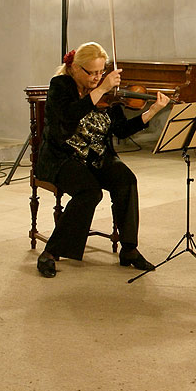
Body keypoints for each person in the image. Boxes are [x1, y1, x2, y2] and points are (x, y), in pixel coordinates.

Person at [35, 42, 170, 278]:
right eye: (93, 73)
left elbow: (121, 130)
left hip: (97, 155)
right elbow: (67, 118)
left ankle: (129, 249)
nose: (98, 78)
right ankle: (50, 252)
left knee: (126, 180)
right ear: (76, 68)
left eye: (101, 72)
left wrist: (154, 111)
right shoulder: (61, 86)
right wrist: (101, 88)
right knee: (90, 192)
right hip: (63, 157)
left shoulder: (107, 95)